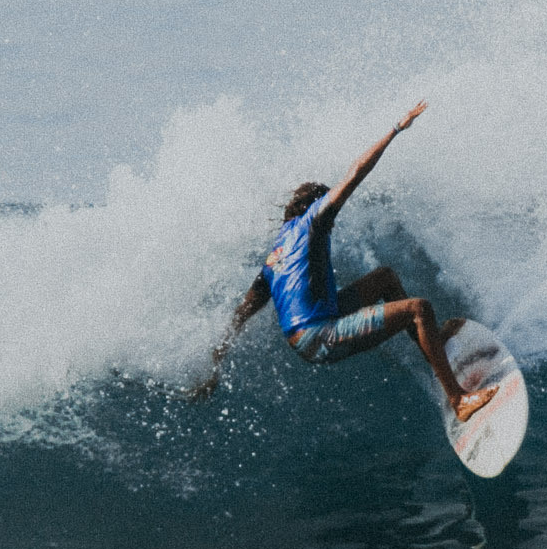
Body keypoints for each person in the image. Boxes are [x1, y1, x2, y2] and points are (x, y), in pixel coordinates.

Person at [189, 101, 496, 422]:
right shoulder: (314, 221)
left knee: (385, 278)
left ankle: (433, 345)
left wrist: (214, 369)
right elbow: (355, 173)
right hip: (320, 336)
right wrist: (395, 129)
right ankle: (459, 400)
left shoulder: (274, 258)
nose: (333, 221)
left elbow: (239, 315)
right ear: (315, 206)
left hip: (315, 327)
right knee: (418, 309)